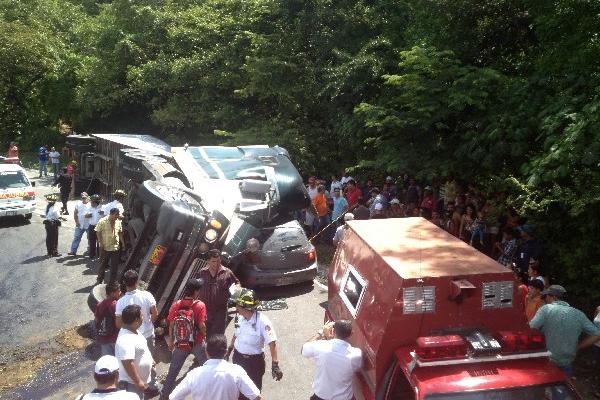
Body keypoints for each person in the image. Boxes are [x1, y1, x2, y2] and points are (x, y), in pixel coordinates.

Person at [529, 285, 600, 376]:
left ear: (553, 297)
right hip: (566, 361)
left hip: (546, 359)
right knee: (562, 388)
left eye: (546, 296)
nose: (545, 299)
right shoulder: (578, 314)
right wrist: (578, 347)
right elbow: (597, 334)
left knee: (544, 386)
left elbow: (531, 328)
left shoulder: (546, 309)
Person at [169, 334, 261, 400]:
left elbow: (174, 397)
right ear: (225, 352)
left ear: (206, 351)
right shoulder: (236, 371)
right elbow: (256, 397)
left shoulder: (194, 374)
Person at [227, 288, 282, 397]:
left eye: (238, 305)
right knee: (238, 391)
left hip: (254, 363)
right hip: (238, 359)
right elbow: (236, 334)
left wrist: (275, 364)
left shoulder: (263, 321)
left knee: (253, 393)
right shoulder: (239, 318)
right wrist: (229, 350)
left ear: (245, 308)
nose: (236, 307)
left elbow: (272, 343)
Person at [160, 278, 207, 400]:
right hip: (197, 343)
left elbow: (171, 324)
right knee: (207, 368)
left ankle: (165, 395)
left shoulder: (177, 304)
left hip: (181, 342)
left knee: (173, 371)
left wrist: (171, 341)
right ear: (196, 291)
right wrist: (204, 336)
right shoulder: (200, 305)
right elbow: (201, 325)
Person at [115, 270, 159, 395]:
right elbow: (155, 314)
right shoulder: (147, 295)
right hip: (148, 334)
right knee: (148, 360)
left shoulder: (120, 302)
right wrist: (148, 324)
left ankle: (139, 385)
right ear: (137, 281)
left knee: (141, 361)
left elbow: (118, 324)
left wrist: (131, 327)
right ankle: (151, 386)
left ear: (124, 283)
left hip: (135, 335)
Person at [301, 320, 362, 400]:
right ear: (351, 334)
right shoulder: (356, 354)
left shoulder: (320, 346)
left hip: (320, 397)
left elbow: (303, 349)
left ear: (333, 331)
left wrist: (320, 333)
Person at [197, 249, 239, 337]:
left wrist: (234, 293)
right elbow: (197, 288)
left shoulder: (227, 272)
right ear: (208, 261)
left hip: (221, 311)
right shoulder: (202, 272)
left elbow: (236, 284)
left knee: (218, 336)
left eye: (218, 261)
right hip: (205, 310)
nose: (216, 264)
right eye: (213, 261)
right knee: (204, 334)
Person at [115, 304, 154, 399]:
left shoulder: (134, 331)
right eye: (141, 315)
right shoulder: (125, 339)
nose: (143, 317)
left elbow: (142, 348)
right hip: (131, 384)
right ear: (136, 320)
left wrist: (150, 359)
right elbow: (127, 362)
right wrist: (138, 382)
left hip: (136, 384)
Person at [95, 208, 125, 284]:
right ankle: (99, 280)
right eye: (116, 215)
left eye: (118, 214)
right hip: (105, 247)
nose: (117, 216)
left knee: (114, 266)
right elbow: (98, 232)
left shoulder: (118, 222)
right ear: (111, 214)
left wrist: (123, 243)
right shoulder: (102, 221)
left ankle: (112, 282)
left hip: (115, 248)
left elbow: (120, 233)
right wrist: (100, 243)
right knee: (103, 265)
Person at [96, 283, 122, 356]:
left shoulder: (99, 305)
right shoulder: (116, 305)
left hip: (104, 339)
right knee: (119, 361)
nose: (120, 293)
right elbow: (120, 323)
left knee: (108, 363)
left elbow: (97, 320)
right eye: (118, 291)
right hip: (115, 338)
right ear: (112, 293)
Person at [88, 195, 103, 259]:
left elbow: (106, 216)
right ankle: (92, 254)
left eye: (92, 202)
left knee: (100, 241)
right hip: (91, 227)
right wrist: (87, 215)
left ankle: (101, 255)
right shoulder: (90, 208)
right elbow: (85, 215)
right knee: (92, 241)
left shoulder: (102, 209)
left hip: (100, 227)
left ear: (96, 202)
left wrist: (103, 213)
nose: (91, 203)